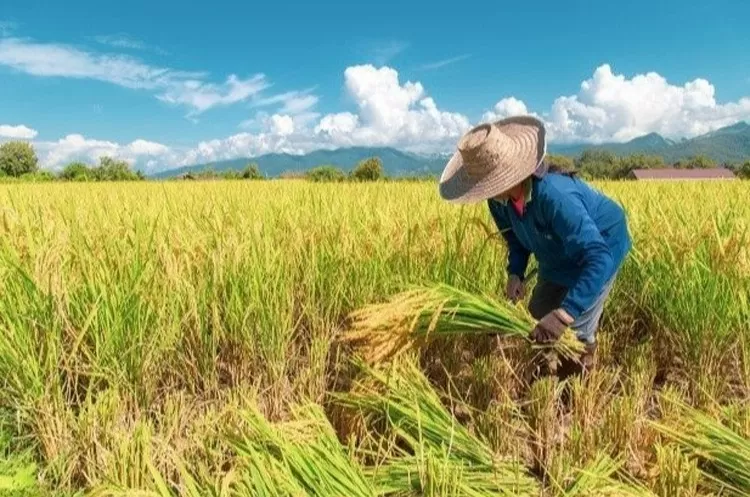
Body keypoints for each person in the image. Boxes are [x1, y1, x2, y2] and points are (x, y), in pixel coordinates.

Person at [438, 115, 631, 377]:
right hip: (555, 250)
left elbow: (598, 258)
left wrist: (565, 314)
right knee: (538, 314)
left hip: (601, 246)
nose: (484, 192)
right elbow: (515, 240)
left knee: (575, 328)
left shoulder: (555, 196)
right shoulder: (498, 201)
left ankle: (577, 379)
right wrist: (515, 273)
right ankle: (547, 369)